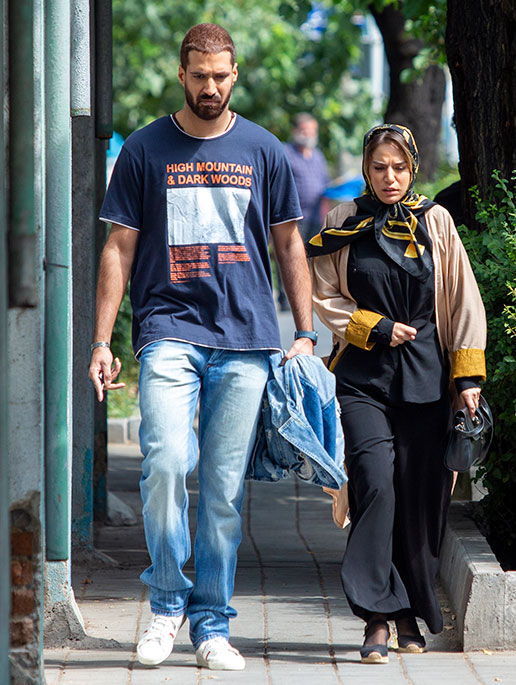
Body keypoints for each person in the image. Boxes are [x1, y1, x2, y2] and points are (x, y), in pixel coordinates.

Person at [88, 23, 316, 672]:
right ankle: (166, 603)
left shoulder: (264, 150)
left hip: (246, 341)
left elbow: (289, 244)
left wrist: (302, 330)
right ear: (181, 75)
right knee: (163, 463)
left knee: (221, 491)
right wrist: (102, 339)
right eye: (199, 75)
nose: (209, 86)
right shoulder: (144, 149)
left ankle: (211, 622)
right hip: (168, 331)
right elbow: (118, 248)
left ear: (234, 74)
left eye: (220, 75)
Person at [308, 124, 487, 664]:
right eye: (380, 167)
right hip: (363, 377)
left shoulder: (436, 221)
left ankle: (409, 612)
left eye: (400, 168)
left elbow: (461, 301)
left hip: (428, 381)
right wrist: (374, 326)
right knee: (376, 486)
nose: (390, 177)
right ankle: (377, 619)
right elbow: (324, 294)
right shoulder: (342, 220)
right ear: (366, 169)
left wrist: (468, 381)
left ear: (412, 169)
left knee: (421, 501)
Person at [278, 112, 330, 308]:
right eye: (305, 130)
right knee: (289, 257)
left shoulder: (318, 156)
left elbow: (325, 184)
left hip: (315, 215)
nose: (309, 134)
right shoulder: (286, 153)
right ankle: (286, 299)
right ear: (295, 131)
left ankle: (307, 297)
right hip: (292, 216)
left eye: (312, 131)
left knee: (310, 258)